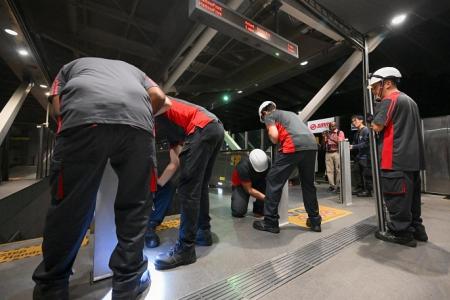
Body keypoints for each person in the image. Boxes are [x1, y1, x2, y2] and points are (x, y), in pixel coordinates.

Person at [32, 57, 166, 300]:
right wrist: (134, 120)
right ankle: (128, 282)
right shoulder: (137, 69)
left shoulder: (68, 67)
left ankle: (52, 287)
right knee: (136, 207)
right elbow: (160, 98)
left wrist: (76, 130)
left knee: (70, 207)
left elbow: (58, 106)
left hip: (84, 119)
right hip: (138, 124)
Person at [153, 97, 224, 270]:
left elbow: (163, 101)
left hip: (202, 127)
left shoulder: (152, 108)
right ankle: (203, 233)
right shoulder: (173, 133)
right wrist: (158, 184)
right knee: (199, 187)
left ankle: (185, 249)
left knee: (187, 189)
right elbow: (174, 163)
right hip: (215, 127)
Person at [369, 67, 428, 247]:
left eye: (375, 87)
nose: (374, 92)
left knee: (397, 198)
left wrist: (372, 120)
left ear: (387, 83)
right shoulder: (410, 101)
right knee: (412, 199)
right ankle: (417, 229)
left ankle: (401, 232)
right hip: (412, 160)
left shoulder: (390, 99)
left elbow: (378, 126)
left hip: (394, 159)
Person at [253, 101, 321, 233]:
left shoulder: (269, 116)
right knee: (308, 184)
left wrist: (272, 137)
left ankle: (270, 222)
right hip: (311, 146)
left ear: (263, 113)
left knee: (273, 181)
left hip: (293, 145)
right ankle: (315, 221)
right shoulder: (291, 114)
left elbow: (274, 136)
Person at [144, 145, 180, 248]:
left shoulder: (169, 131)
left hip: (155, 170)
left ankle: (150, 224)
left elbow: (175, 161)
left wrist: (159, 183)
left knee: (169, 185)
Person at [231, 149, 269, 218]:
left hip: (259, 181)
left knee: (262, 211)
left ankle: (258, 208)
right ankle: (236, 198)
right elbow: (248, 190)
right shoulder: (242, 166)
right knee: (238, 212)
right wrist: (267, 198)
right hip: (242, 185)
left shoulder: (267, 162)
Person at [350, 115, 372, 197]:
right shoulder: (357, 132)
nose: (353, 123)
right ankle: (361, 188)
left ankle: (368, 191)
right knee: (357, 173)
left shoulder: (366, 130)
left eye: (355, 120)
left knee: (366, 175)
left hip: (366, 157)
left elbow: (367, 143)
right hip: (359, 156)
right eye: (352, 121)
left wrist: (353, 146)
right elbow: (355, 144)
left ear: (361, 120)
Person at [322, 121, 345, 193]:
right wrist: (323, 137)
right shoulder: (327, 133)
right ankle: (332, 186)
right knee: (329, 170)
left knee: (338, 170)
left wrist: (330, 137)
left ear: (336, 126)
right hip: (328, 153)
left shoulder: (340, 132)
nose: (332, 127)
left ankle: (338, 186)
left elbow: (340, 143)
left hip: (336, 152)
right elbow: (323, 144)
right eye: (330, 126)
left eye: (333, 126)